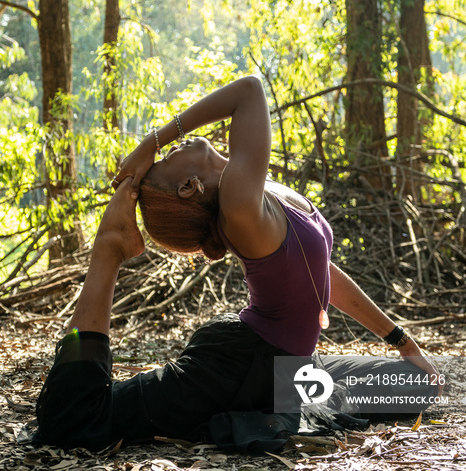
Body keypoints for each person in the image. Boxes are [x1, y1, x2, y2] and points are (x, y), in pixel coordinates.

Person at [34, 77, 442, 453]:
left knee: (419, 385)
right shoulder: (239, 208)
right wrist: (152, 143)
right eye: (168, 160)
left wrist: (403, 342)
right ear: (188, 187)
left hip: (288, 370)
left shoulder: (253, 191)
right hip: (237, 366)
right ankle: (108, 249)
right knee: (74, 420)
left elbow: (322, 273)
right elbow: (248, 91)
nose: (174, 148)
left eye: (165, 153)